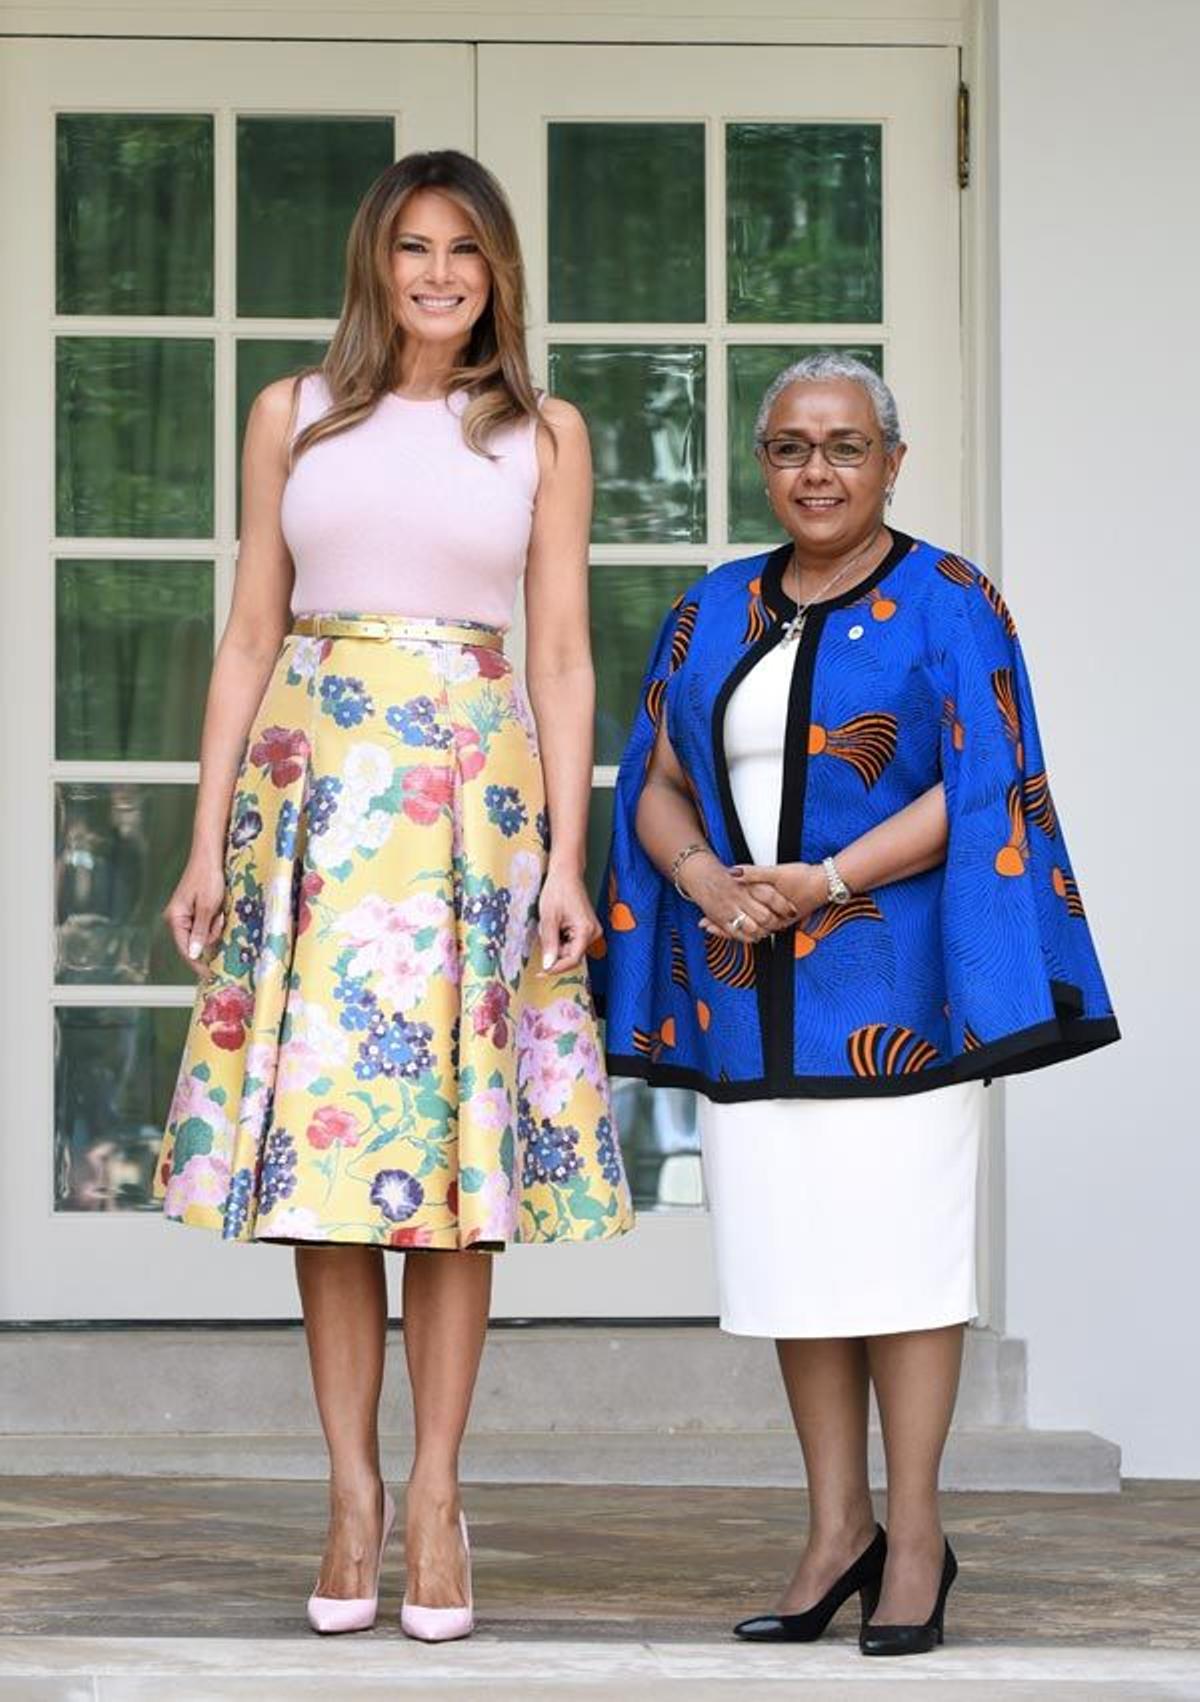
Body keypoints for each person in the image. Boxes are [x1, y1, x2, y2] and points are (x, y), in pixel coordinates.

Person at [156, 150, 632, 1643]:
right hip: (313, 816)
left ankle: (437, 1494)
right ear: (375, 262)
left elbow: (560, 655)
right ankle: (351, 1489)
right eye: (414, 247)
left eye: (467, 252)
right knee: (330, 1166)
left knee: (451, 1168)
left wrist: (564, 856)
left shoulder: (544, 433)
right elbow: (247, 633)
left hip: (474, 826)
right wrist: (204, 838)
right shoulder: (289, 415)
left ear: (498, 275)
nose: (438, 273)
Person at [592, 352, 1117, 1658]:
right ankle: (836, 1530)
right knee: (793, 1265)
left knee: (902, 1262)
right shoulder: (709, 607)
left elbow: (982, 779)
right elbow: (654, 777)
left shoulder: (949, 598)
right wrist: (711, 879)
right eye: (788, 447)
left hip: (900, 990)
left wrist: (824, 877)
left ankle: (919, 1537)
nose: (814, 470)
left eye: (842, 445)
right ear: (761, 465)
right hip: (749, 984)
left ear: (891, 460)